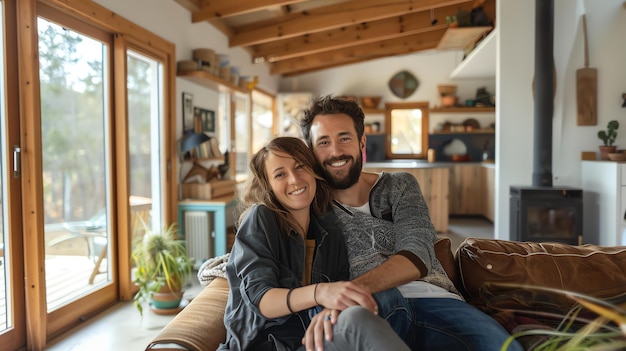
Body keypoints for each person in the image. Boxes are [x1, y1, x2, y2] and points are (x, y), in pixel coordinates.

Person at [300, 95, 523, 351]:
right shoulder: (310, 204)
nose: (336, 151)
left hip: (436, 300)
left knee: (504, 347)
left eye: (344, 138)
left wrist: (342, 295)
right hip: (370, 306)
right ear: (312, 152)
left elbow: (417, 253)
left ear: (362, 141)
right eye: (324, 142)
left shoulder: (400, 185)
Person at [218, 137, 410, 351]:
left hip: (312, 339)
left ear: (313, 171)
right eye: (280, 174)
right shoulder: (260, 217)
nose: (294, 179)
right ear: (268, 185)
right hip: (266, 345)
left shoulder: (328, 229)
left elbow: (338, 291)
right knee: (356, 321)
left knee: (375, 307)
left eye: (300, 167)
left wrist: (334, 307)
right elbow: (263, 300)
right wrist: (320, 292)